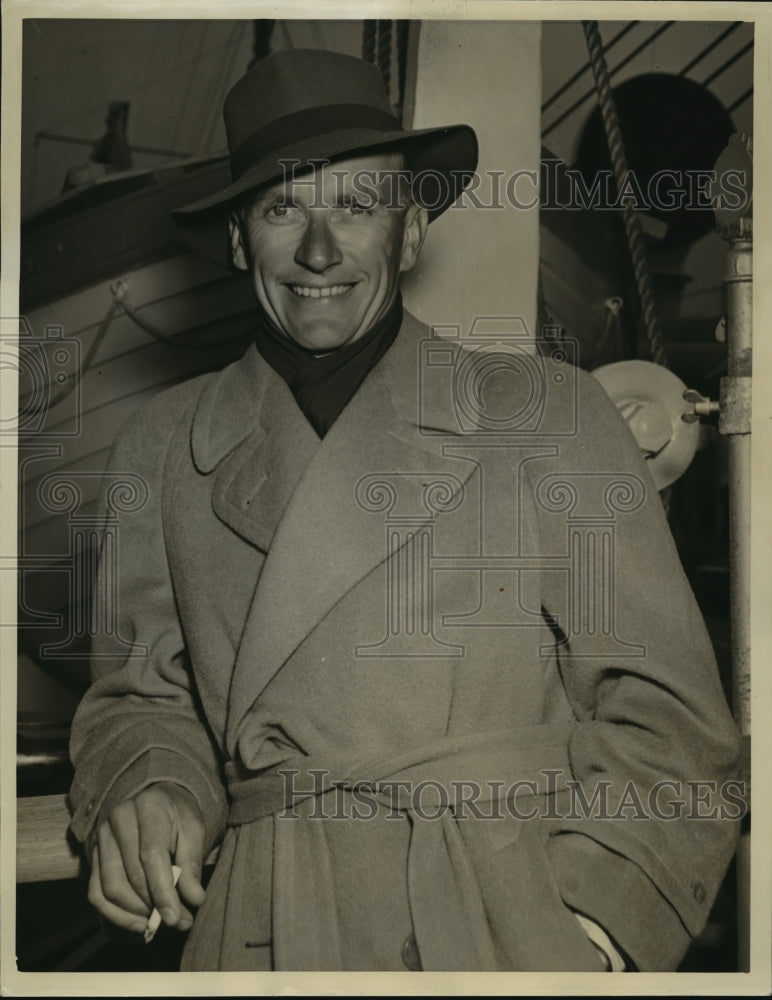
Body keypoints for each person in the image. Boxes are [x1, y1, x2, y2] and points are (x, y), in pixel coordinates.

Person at [69, 48, 741, 973]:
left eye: (356, 205)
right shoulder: (162, 444)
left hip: (500, 927)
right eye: (280, 208)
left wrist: (594, 931)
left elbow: (674, 726)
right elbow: (142, 701)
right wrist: (147, 785)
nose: (317, 250)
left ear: (411, 232)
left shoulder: (551, 415)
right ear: (237, 240)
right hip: (262, 932)